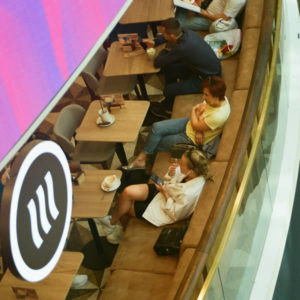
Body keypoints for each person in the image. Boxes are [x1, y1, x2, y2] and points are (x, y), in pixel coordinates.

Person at [97, 149, 209, 244]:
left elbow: (175, 214)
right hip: (163, 191)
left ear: (191, 171)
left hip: (164, 209)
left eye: (182, 164)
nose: (179, 164)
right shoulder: (192, 173)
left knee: (125, 208)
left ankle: (119, 233)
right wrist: (172, 172)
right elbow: (173, 182)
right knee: (126, 193)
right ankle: (111, 223)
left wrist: (165, 193)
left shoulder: (189, 193)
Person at [126, 76, 230, 170]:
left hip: (191, 139)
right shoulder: (218, 99)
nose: (203, 97)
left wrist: (193, 110)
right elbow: (199, 112)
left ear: (216, 96)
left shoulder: (219, 115)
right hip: (189, 124)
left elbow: (196, 113)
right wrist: (199, 129)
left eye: (206, 95)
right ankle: (141, 159)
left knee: (157, 142)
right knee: (156, 127)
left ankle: (149, 165)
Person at [143, 18, 221, 119]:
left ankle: (167, 109)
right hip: (203, 69)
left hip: (209, 81)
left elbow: (157, 63)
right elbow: (166, 41)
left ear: (171, 35)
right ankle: (172, 96)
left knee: (167, 90)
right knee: (170, 67)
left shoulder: (183, 47)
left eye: (164, 34)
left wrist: (157, 50)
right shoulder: (185, 31)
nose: (162, 35)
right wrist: (155, 42)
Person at [176, 0, 247, 31]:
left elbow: (224, 18)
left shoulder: (237, 1)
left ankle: (181, 8)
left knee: (178, 24)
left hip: (210, 19)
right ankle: (181, 7)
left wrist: (205, 14)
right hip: (205, 5)